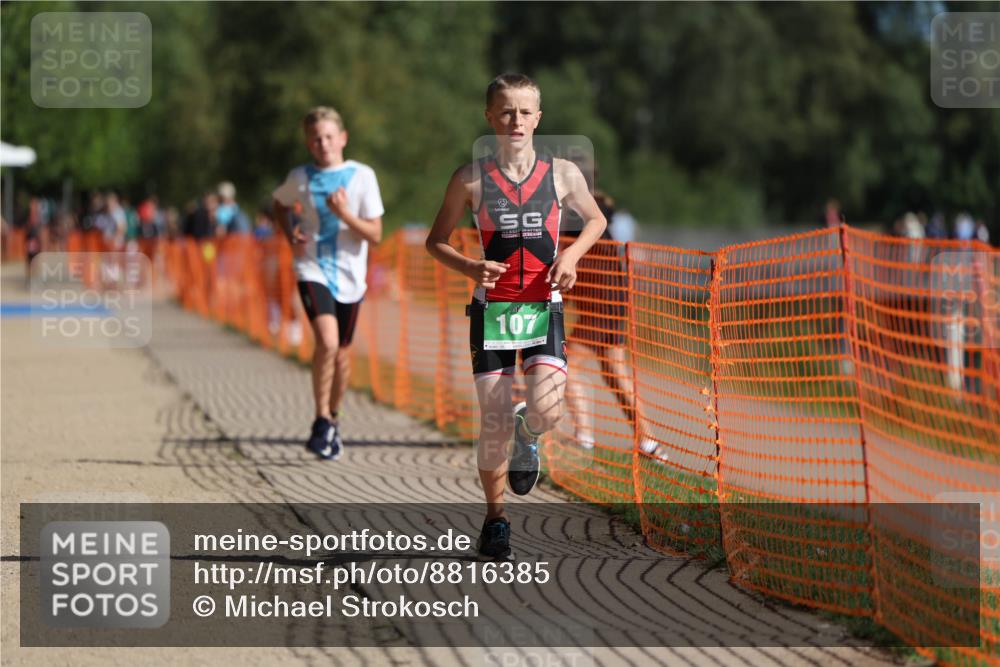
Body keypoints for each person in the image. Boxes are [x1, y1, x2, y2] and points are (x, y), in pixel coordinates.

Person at [425, 74, 607, 560]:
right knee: (493, 419)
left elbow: (596, 220)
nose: (516, 120)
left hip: (542, 305)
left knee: (546, 411)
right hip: (494, 310)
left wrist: (570, 259)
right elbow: (434, 241)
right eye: (506, 111)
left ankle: (530, 436)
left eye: (525, 112)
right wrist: (468, 266)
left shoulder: (562, 172)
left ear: (539, 119)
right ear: (489, 117)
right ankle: (496, 519)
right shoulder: (470, 178)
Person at [272, 106, 385, 461]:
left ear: (342, 138)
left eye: (328, 137)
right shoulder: (300, 177)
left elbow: (376, 234)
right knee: (327, 341)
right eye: (316, 138)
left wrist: (343, 214)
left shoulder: (361, 176)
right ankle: (320, 418)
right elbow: (279, 204)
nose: (323, 143)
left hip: (351, 276)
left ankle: (333, 419)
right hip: (312, 268)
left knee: (341, 354)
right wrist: (290, 231)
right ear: (308, 143)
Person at [561, 190, 664, 460]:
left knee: (565, 364)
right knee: (615, 374)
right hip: (613, 303)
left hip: (603, 306)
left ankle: (584, 438)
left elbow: (568, 270)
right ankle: (650, 443)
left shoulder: (577, 226)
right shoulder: (592, 224)